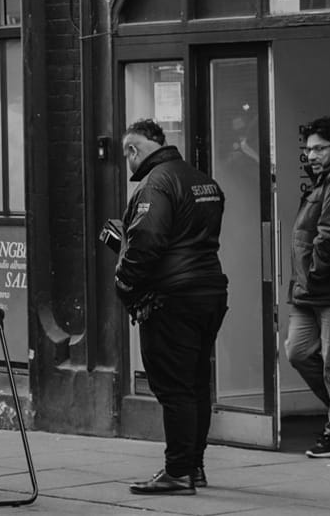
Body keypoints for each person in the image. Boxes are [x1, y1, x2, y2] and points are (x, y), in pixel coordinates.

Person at [113, 119, 227, 496]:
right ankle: (193, 466)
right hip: (208, 290)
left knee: (174, 387)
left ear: (133, 150)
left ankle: (178, 473)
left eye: (126, 153)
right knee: (195, 384)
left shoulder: (155, 183)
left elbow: (147, 239)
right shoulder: (203, 180)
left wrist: (125, 282)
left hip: (171, 298)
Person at [288, 117, 330, 460]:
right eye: (308, 149)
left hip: (323, 290)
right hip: (305, 293)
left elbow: (327, 236)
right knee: (298, 352)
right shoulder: (319, 184)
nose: (312, 155)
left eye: (320, 148)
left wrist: (314, 274)